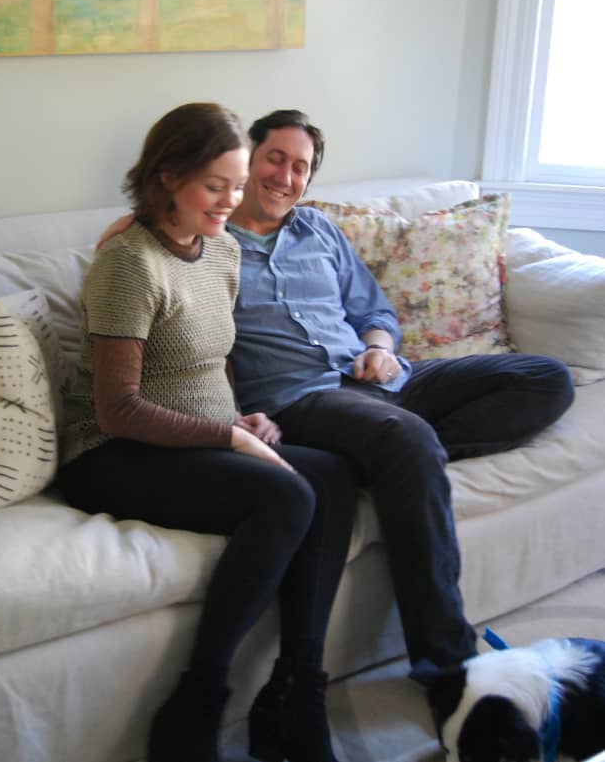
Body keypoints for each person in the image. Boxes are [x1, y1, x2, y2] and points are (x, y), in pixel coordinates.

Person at [224, 108, 575, 672]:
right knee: (404, 439)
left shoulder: (318, 230)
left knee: (545, 378)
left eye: (300, 167)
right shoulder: (206, 245)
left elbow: (372, 309)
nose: (285, 177)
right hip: (306, 400)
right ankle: (446, 663)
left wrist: (380, 347)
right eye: (275, 158)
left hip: (384, 381)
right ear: (248, 157)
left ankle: (395, 457)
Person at [60, 103, 358, 762]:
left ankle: (297, 691)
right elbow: (118, 408)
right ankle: (198, 699)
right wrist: (230, 439)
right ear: (168, 177)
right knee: (287, 496)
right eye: (216, 185)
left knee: (333, 474)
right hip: (113, 452)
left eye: (238, 182)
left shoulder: (221, 248)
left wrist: (238, 414)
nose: (234, 199)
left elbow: (211, 359)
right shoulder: (128, 263)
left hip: (196, 436)